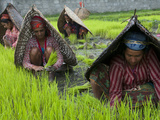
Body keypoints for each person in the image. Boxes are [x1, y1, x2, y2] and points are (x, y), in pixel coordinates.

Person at [90, 31, 160, 107]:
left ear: (144, 53)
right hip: (122, 92)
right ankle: (105, 104)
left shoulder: (149, 56)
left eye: (137, 56)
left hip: (143, 91)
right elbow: (115, 90)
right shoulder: (118, 62)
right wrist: (114, 111)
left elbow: (157, 79)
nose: (133, 60)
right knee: (96, 74)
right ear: (124, 52)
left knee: (150, 92)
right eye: (129, 55)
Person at [23, 16, 64, 80]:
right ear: (33, 32)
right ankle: (35, 73)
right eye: (36, 31)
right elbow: (25, 62)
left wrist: (54, 67)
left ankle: (50, 73)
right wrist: (35, 67)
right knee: (34, 50)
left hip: (50, 65)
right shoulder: (31, 42)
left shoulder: (51, 40)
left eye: (41, 30)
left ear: (45, 29)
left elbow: (60, 57)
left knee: (49, 49)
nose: (39, 34)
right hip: (37, 64)